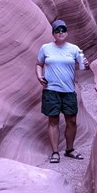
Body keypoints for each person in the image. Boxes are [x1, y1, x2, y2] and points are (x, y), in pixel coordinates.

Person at [36, 19, 90, 163]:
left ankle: (70, 149)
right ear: (53, 33)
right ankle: (55, 152)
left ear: (67, 32)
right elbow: (39, 64)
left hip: (68, 90)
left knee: (71, 120)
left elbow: (83, 66)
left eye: (63, 30)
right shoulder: (45, 48)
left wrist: (86, 64)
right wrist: (39, 76)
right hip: (51, 90)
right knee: (53, 120)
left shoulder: (74, 49)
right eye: (57, 30)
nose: (61, 33)